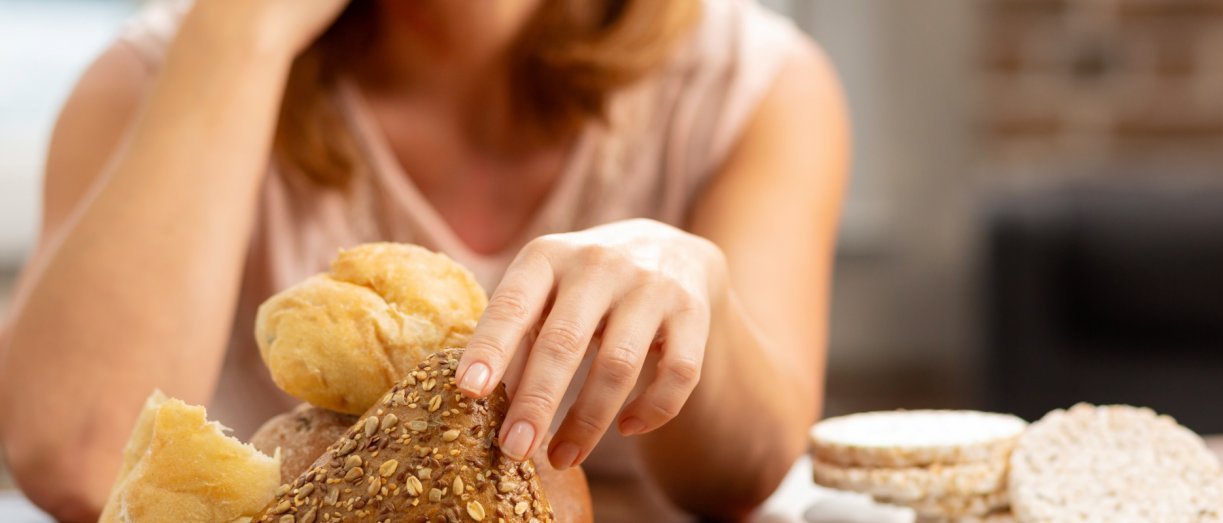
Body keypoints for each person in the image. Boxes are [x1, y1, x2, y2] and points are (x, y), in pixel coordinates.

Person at [0, 0, 848, 520]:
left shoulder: (755, 84)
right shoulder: (154, 77)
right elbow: (80, 464)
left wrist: (687, 281)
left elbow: (746, 472)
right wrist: (242, 28)